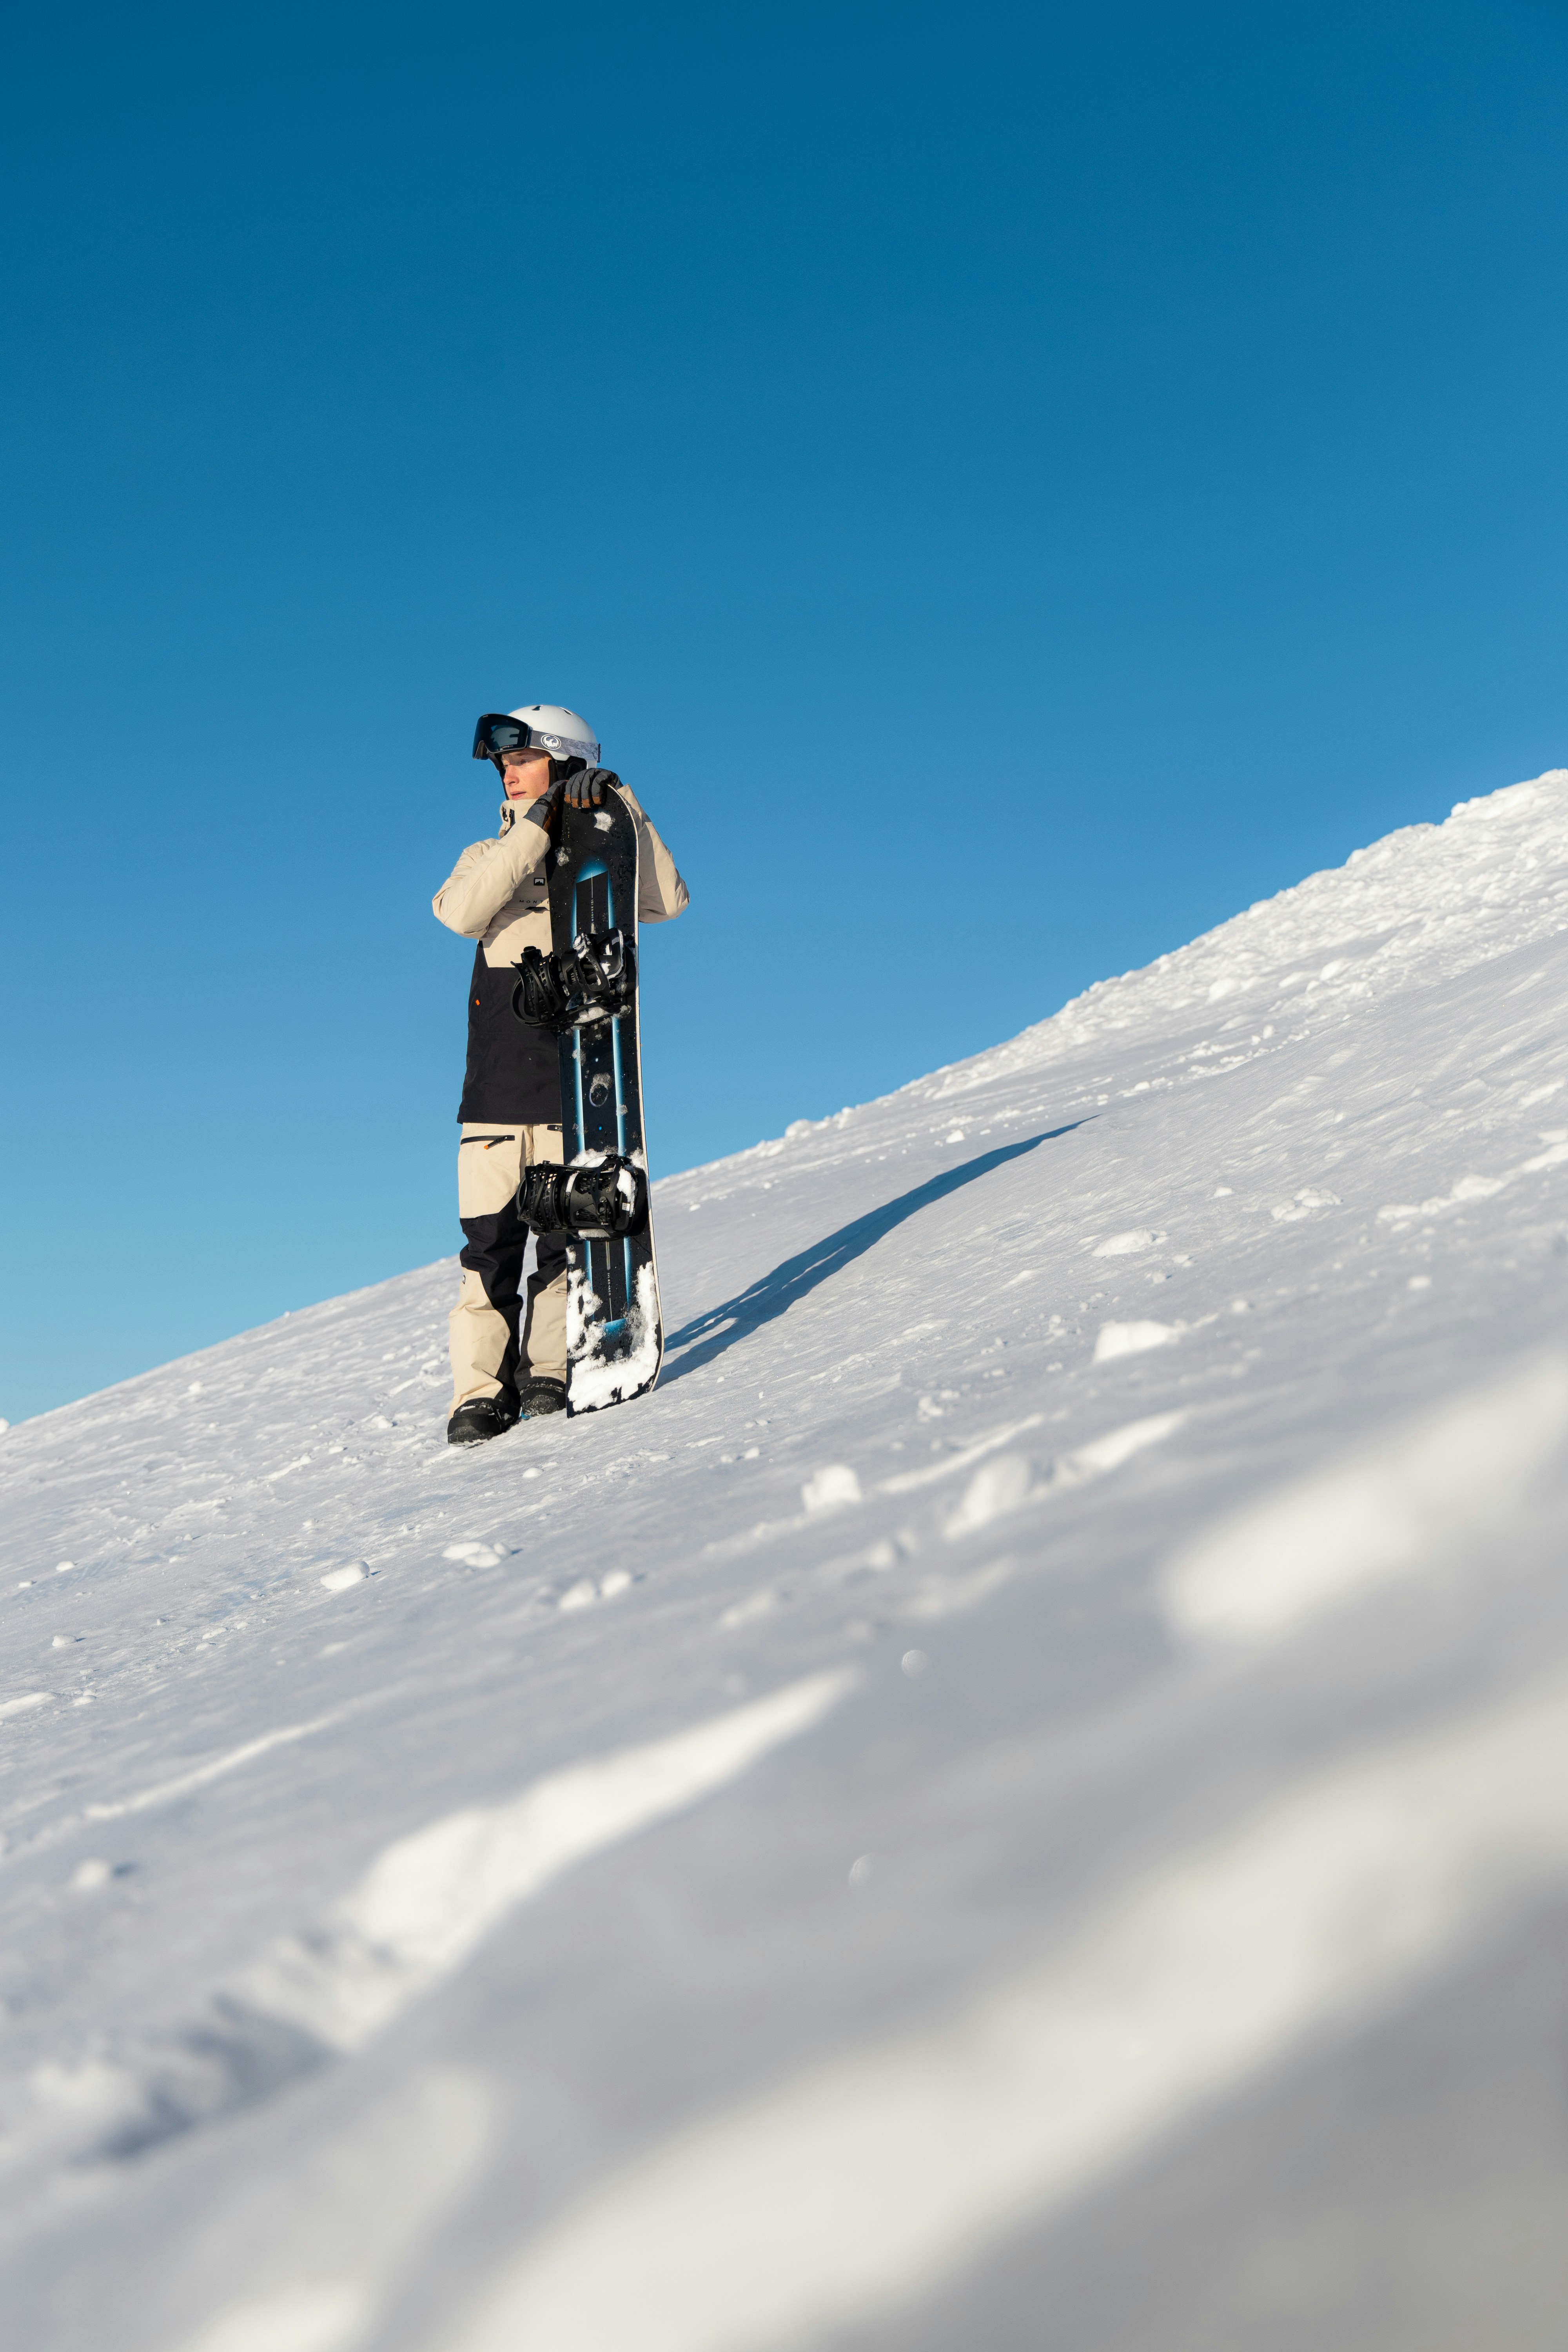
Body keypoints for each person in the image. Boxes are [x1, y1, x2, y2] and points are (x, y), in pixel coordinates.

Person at [433, 705, 690, 1446]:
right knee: (488, 1254)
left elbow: (666, 902)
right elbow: (460, 912)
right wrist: (538, 824)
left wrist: (623, 808)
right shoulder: (486, 854)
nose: (507, 771)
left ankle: (547, 1371)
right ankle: (480, 1393)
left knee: (558, 1243)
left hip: (574, 1096)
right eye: (503, 765)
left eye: (524, 759)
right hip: (491, 1103)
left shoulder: (596, 874)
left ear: (566, 760)